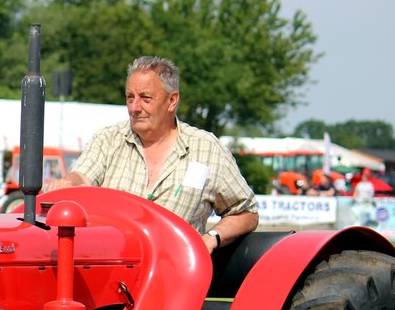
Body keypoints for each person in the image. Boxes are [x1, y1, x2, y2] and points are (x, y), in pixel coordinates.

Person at [45, 56, 257, 252]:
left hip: (176, 273)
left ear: (172, 101)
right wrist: (67, 182)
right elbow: (82, 175)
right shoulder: (108, 140)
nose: (135, 107)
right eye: (130, 97)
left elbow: (246, 212)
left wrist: (211, 238)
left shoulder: (207, 149)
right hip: (114, 270)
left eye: (145, 98)